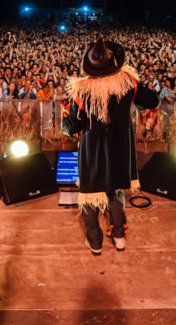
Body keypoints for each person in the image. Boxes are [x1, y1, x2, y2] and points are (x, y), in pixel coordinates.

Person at [62, 38, 160, 256]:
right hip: (119, 146)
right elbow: (153, 102)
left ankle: (95, 242)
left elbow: (71, 127)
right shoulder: (128, 82)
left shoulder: (81, 90)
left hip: (92, 150)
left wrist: (64, 123)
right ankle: (119, 238)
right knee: (115, 191)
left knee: (89, 195)